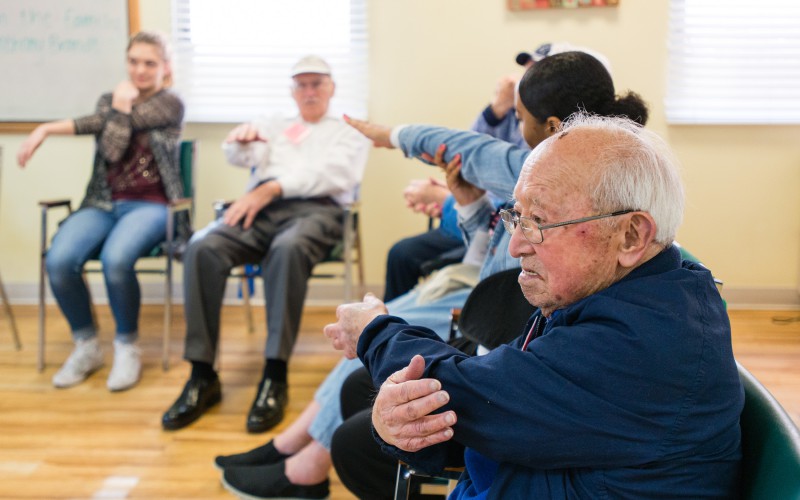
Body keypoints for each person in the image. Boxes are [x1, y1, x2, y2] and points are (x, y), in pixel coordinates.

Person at [215, 50, 646, 500]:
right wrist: (466, 203)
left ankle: (304, 465)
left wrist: (391, 135)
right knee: (365, 363)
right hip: (489, 304)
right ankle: (291, 448)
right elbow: (498, 246)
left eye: (518, 117)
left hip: (493, 319)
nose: (515, 129)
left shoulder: (567, 176)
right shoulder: (568, 187)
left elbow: (471, 153)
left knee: (366, 367)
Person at [325, 112, 743, 499]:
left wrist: (373, 331)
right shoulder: (612, 291)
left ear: (631, 235)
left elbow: (462, 398)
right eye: (516, 215)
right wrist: (399, 425)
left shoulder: (644, 342)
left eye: (539, 222)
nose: (516, 243)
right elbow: (486, 416)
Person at [161, 55, 370, 433]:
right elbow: (246, 157)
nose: (309, 92)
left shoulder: (347, 128)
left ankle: (275, 374)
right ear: (292, 91)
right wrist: (236, 143)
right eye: (301, 85)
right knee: (201, 246)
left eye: (317, 83)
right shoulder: (274, 124)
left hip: (317, 212)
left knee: (287, 250)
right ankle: (202, 374)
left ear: (332, 88)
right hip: (260, 206)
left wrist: (271, 188)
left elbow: (332, 175)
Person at [16, 31, 184, 392]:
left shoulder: (171, 104)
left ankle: (127, 346)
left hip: (151, 205)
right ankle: (87, 344)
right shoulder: (110, 100)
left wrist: (120, 108)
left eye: (149, 63)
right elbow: (103, 137)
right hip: (103, 204)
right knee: (59, 259)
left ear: (165, 67)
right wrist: (44, 128)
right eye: (134, 61)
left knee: (116, 259)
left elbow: (111, 141)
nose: (140, 70)